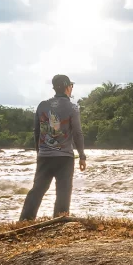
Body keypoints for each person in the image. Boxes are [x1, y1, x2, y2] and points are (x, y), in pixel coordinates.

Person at [19, 74, 87, 220]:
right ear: (68, 87)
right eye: (71, 86)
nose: (71, 88)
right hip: (64, 157)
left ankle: (25, 220)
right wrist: (82, 155)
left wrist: (40, 152)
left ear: (55, 88)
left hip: (44, 156)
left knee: (38, 190)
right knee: (63, 191)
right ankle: (59, 220)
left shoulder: (42, 105)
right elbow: (77, 133)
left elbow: (36, 132)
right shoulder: (72, 107)